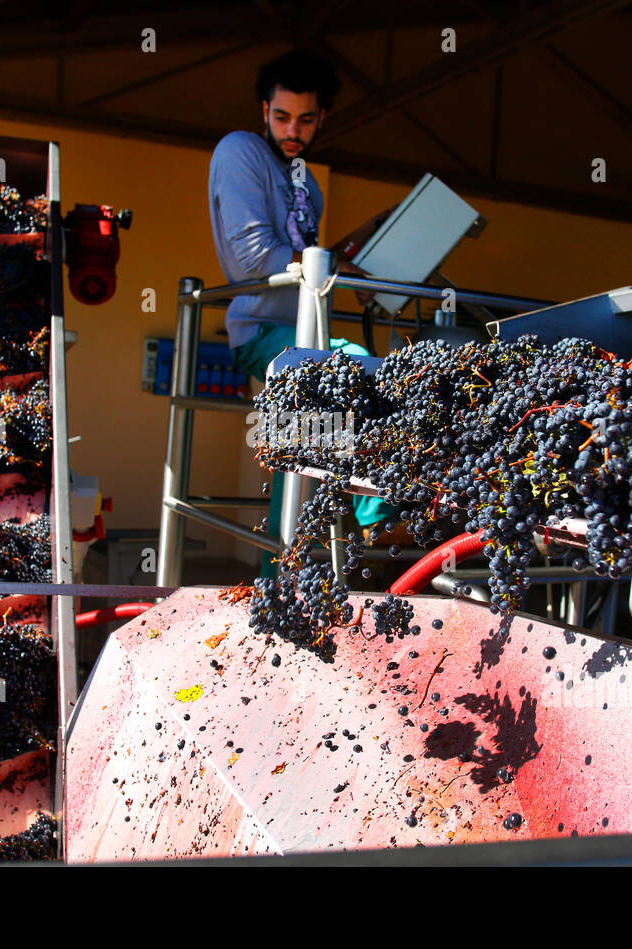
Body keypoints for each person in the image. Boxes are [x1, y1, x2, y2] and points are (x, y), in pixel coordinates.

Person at [208, 48, 396, 574]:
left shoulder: (305, 182)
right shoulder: (240, 150)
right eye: (282, 116)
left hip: (302, 329)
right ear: (262, 110)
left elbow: (307, 263)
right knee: (352, 364)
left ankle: (276, 584)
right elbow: (253, 259)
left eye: (306, 119)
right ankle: (377, 515)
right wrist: (334, 264)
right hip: (263, 332)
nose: (293, 130)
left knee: (298, 457)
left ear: (322, 118)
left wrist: (356, 251)